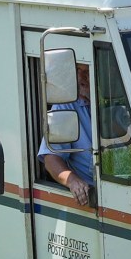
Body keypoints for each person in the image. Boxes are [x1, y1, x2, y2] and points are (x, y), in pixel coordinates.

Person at [38, 68, 94, 207]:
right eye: (78, 69)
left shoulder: (129, 98)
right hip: (93, 193)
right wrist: (73, 181)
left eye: (88, 70)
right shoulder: (66, 104)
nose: (82, 77)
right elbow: (51, 159)